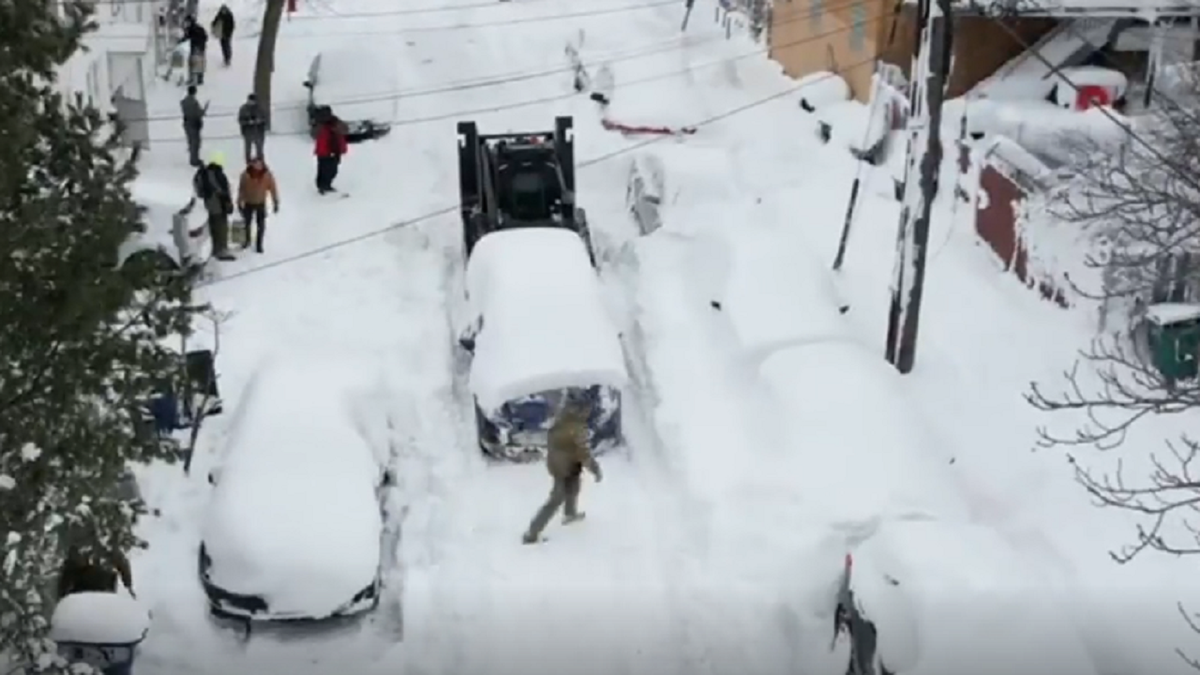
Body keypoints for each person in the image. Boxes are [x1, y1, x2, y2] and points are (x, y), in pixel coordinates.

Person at [522, 398, 602, 545]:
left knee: (574, 486)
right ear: (582, 410)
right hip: (564, 467)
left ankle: (570, 514)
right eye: (587, 410)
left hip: (559, 463)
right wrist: (595, 469)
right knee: (556, 500)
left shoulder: (563, 419)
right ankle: (532, 533)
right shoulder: (577, 428)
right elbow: (583, 453)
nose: (589, 413)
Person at [193, 152, 234, 260]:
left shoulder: (205, 173)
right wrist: (226, 200)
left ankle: (217, 248)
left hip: (211, 203)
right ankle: (220, 250)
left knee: (216, 226)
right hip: (217, 203)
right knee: (220, 225)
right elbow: (219, 189)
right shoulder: (214, 173)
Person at [57, 544, 135, 600]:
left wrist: (128, 585)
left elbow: (121, 561)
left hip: (93, 584)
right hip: (90, 584)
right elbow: (121, 561)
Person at [236, 157, 280, 254]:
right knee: (247, 223)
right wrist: (239, 202)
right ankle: (246, 241)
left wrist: (275, 202)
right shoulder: (245, 175)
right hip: (248, 202)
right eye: (255, 164)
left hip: (260, 203)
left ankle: (259, 244)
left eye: (259, 164)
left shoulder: (267, 175)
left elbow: (273, 189)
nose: (258, 167)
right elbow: (241, 189)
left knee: (261, 225)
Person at [313, 112, 348, 194]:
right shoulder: (320, 125)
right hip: (324, 152)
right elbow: (314, 134)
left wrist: (336, 128)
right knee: (324, 171)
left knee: (332, 170)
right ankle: (322, 187)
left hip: (334, 151)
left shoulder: (335, 122)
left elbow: (345, 130)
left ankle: (325, 185)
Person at [180, 85, 207, 167]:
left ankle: (193, 158)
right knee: (195, 142)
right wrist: (203, 111)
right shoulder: (193, 102)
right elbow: (197, 113)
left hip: (187, 123)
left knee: (191, 141)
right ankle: (194, 160)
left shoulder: (184, 101)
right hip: (194, 123)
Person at [237, 93, 267, 164]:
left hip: (258, 131)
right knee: (248, 148)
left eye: (253, 101)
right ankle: (248, 161)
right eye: (250, 101)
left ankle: (260, 160)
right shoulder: (243, 109)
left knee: (259, 147)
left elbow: (264, 118)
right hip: (248, 131)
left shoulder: (260, 108)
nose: (251, 103)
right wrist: (248, 121)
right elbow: (240, 120)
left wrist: (259, 120)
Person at [180, 15, 208, 85]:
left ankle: (193, 79)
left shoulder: (193, 29)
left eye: (187, 22)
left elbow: (189, 37)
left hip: (196, 48)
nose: (186, 23)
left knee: (193, 63)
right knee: (199, 63)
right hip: (200, 48)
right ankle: (199, 79)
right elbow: (205, 37)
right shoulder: (196, 28)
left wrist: (194, 41)